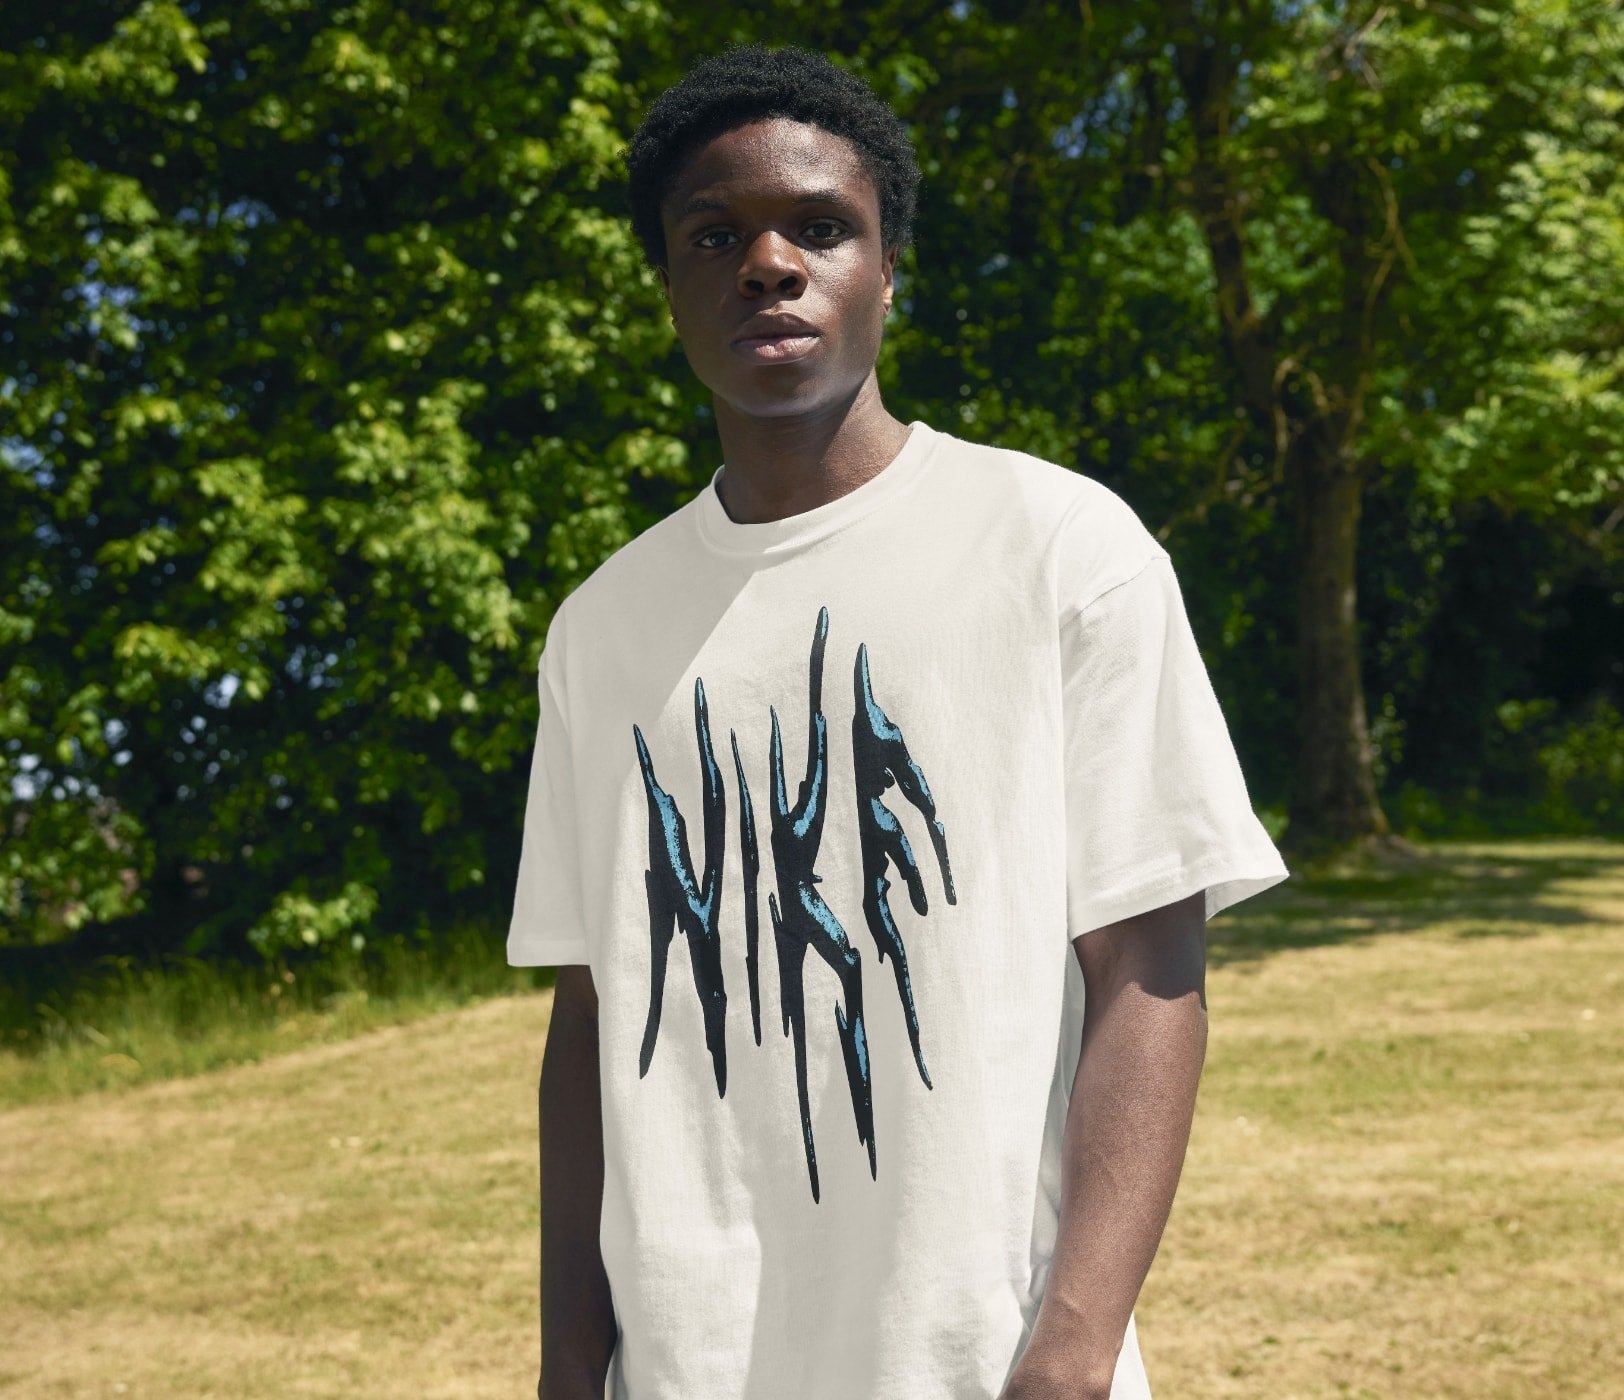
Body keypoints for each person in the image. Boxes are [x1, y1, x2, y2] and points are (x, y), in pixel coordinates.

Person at [507, 43, 1288, 1400]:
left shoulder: (1059, 549)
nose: (769, 263)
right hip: (691, 1367)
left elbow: (1149, 964)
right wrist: (570, 1363)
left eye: (820, 228)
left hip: (985, 1361)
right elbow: (590, 1013)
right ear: (669, 286)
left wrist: (1073, 1348)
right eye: (714, 235)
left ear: (888, 269)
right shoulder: (601, 628)